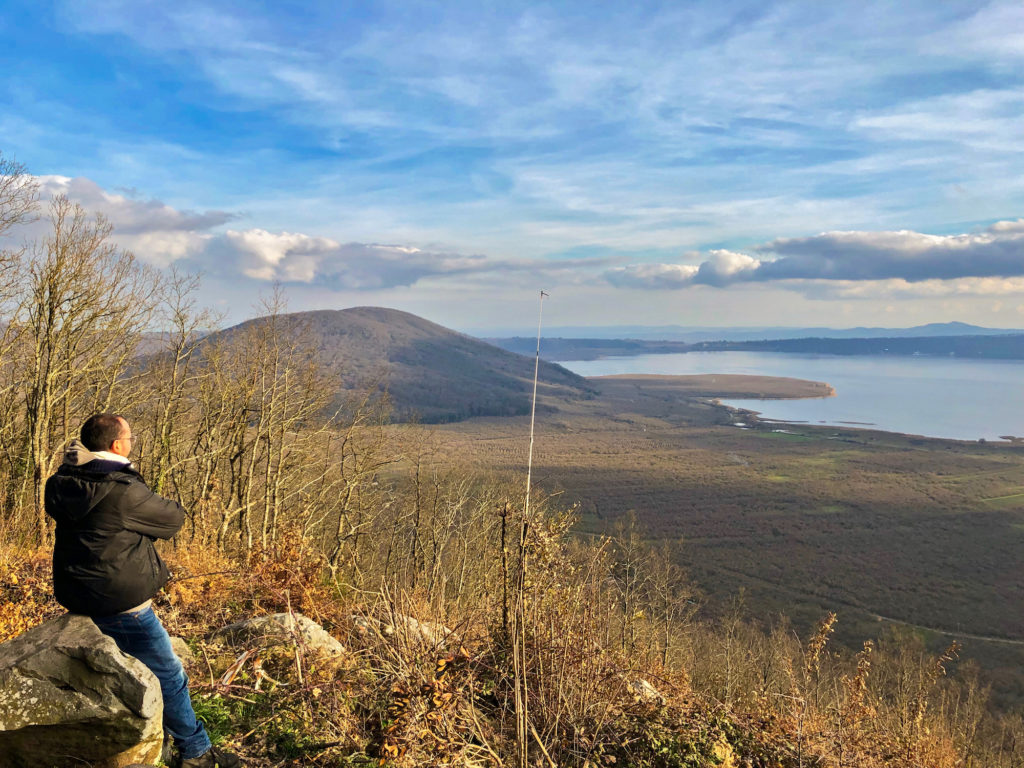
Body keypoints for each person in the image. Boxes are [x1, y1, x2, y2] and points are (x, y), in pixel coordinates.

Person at [44, 413, 240, 768]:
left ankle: (150, 738)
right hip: (119, 601)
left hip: (76, 591)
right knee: (170, 674)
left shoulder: (62, 479)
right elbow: (173, 520)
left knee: (122, 672)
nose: (132, 442)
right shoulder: (122, 490)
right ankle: (196, 752)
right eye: (129, 438)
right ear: (116, 445)